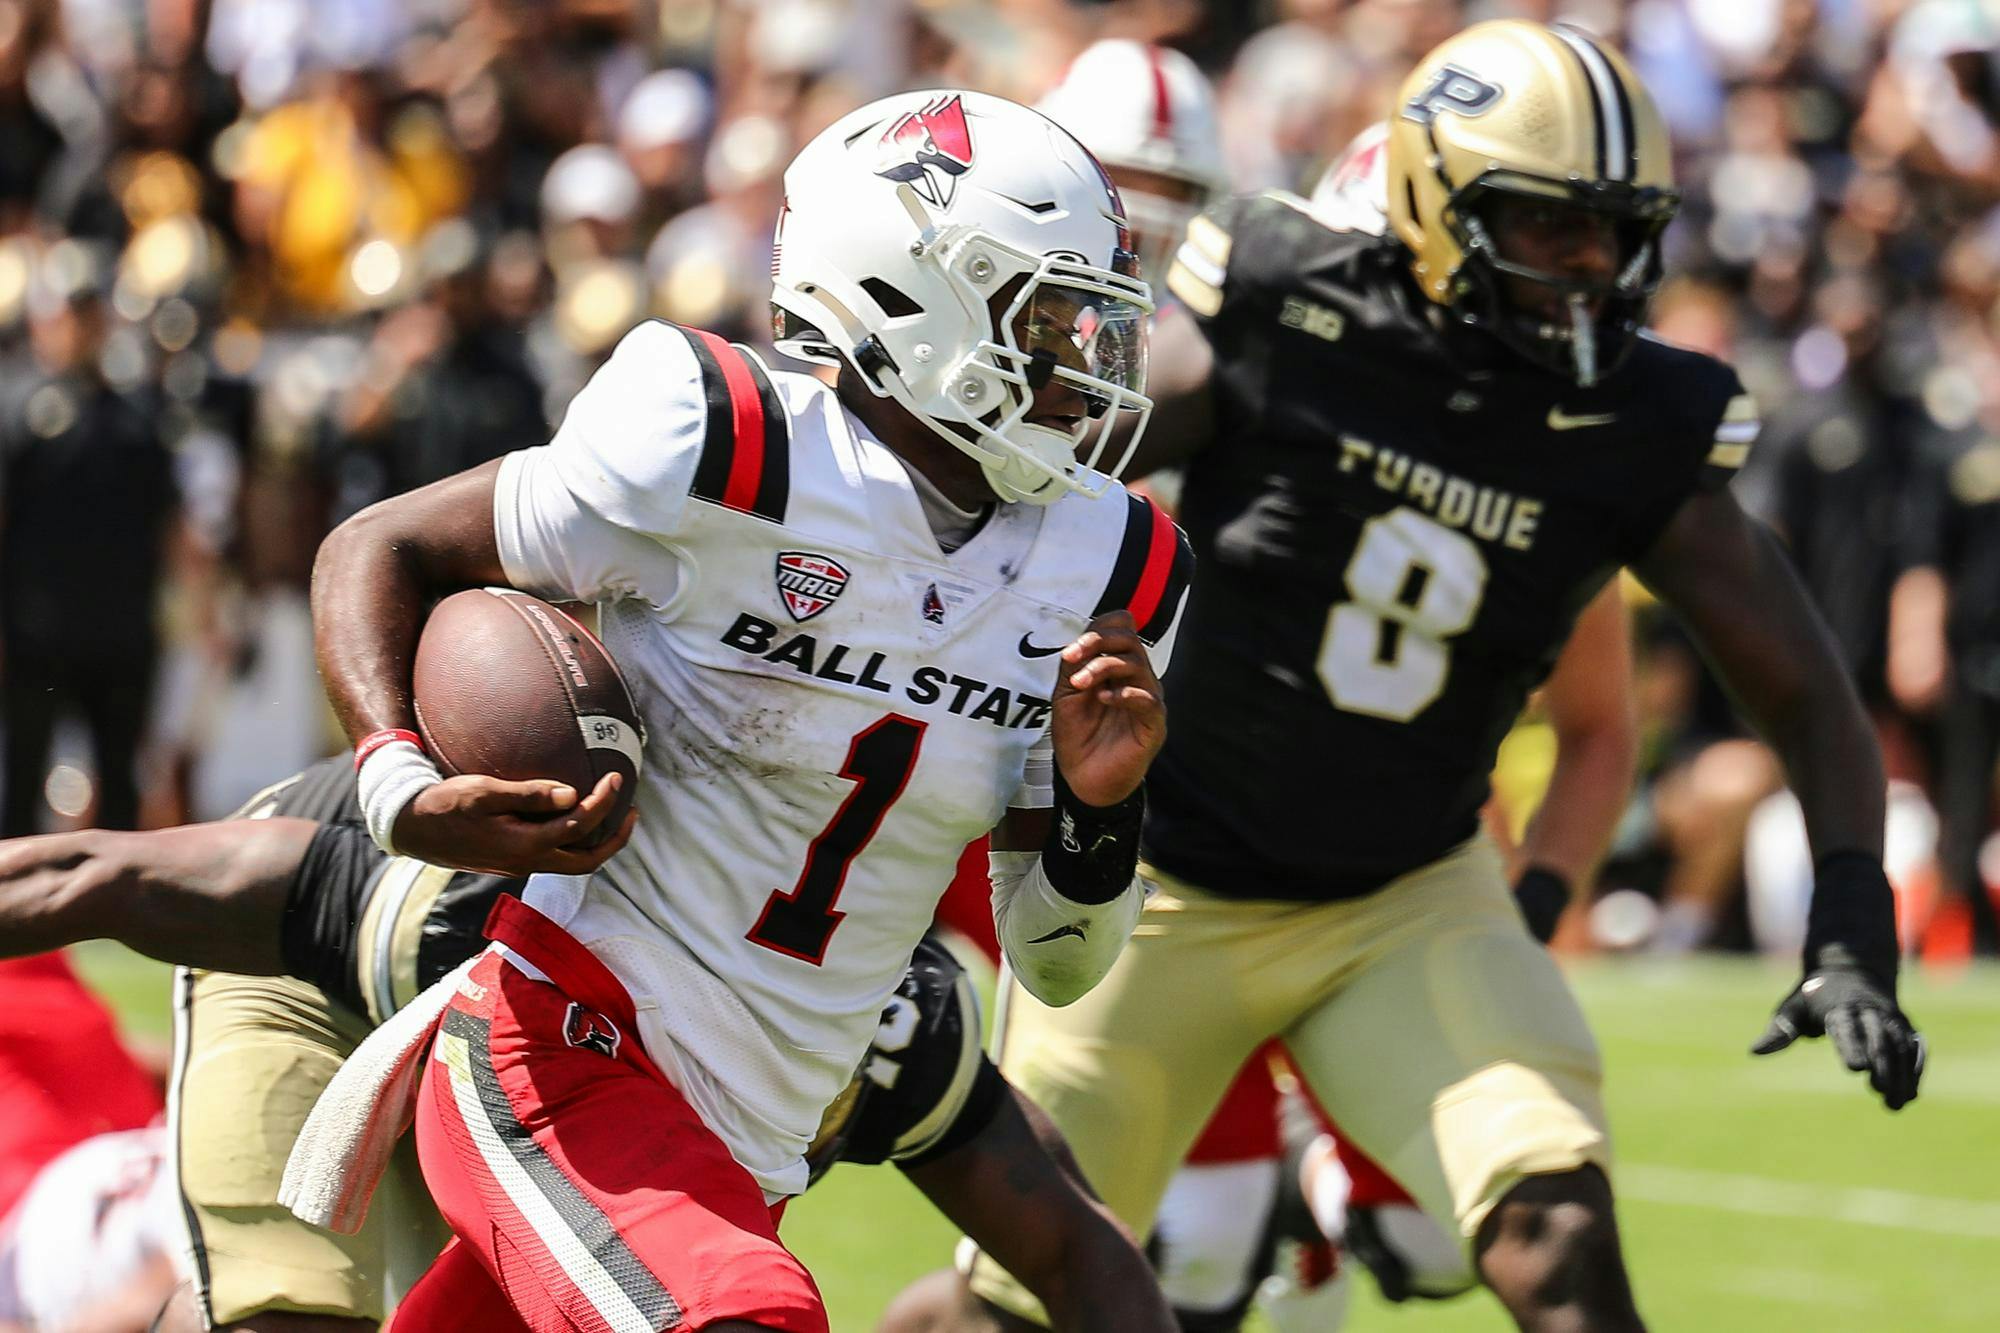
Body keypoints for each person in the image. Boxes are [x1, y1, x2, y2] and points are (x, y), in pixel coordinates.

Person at [957, 22, 1924, 1333]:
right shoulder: (1285, 307)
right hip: (1161, 889)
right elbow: (1054, 475)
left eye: (1615, 231)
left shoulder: (1635, 421)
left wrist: (1856, 916)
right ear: (1430, 202)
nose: (1590, 269)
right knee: (1032, 1304)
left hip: (1405, 896)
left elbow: (1803, 685)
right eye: (1545, 227)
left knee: (1556, 1232)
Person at [306, 88, 1189, 1333]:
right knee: (751, 1319)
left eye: (1091, 321)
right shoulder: (726, 439)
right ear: (905, 288)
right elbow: (380, 543)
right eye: (1044, 318)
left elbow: (1056, 959)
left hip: (749, 1144)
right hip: (565, 1048)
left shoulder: (1113, 566)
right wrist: (397, 783)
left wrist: (1102, 806)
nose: (1079, 363)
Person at [0, 758, 1177, 1333]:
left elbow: (1081, 1257)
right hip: (320, 982)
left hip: (559, 1105)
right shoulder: (478, 917)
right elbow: (101, 871)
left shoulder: (894, 1044)